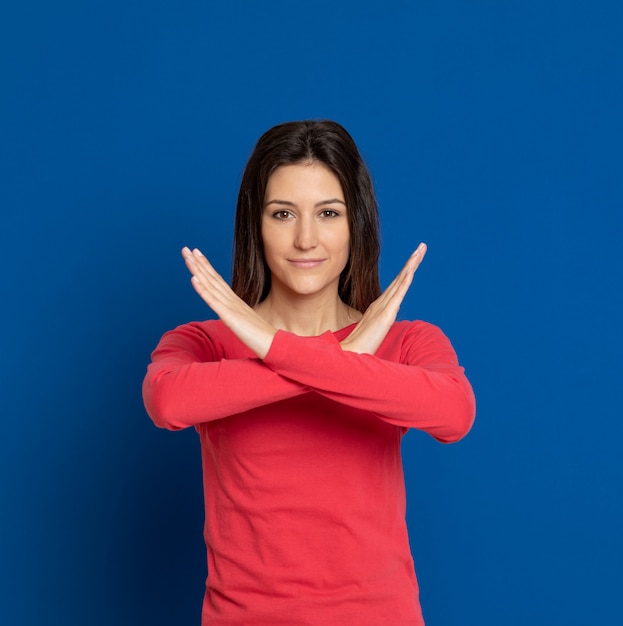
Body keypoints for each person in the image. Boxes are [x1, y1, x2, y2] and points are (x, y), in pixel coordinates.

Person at [142, 120, 475, 625]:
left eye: (328, 213)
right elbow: (167, 403)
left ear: (354, 224)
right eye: (282, 214)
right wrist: (341, 357)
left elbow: (454, 413)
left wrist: (276, 348)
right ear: (255, 224)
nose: (305, 239)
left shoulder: (406, 340)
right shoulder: (205, 342)